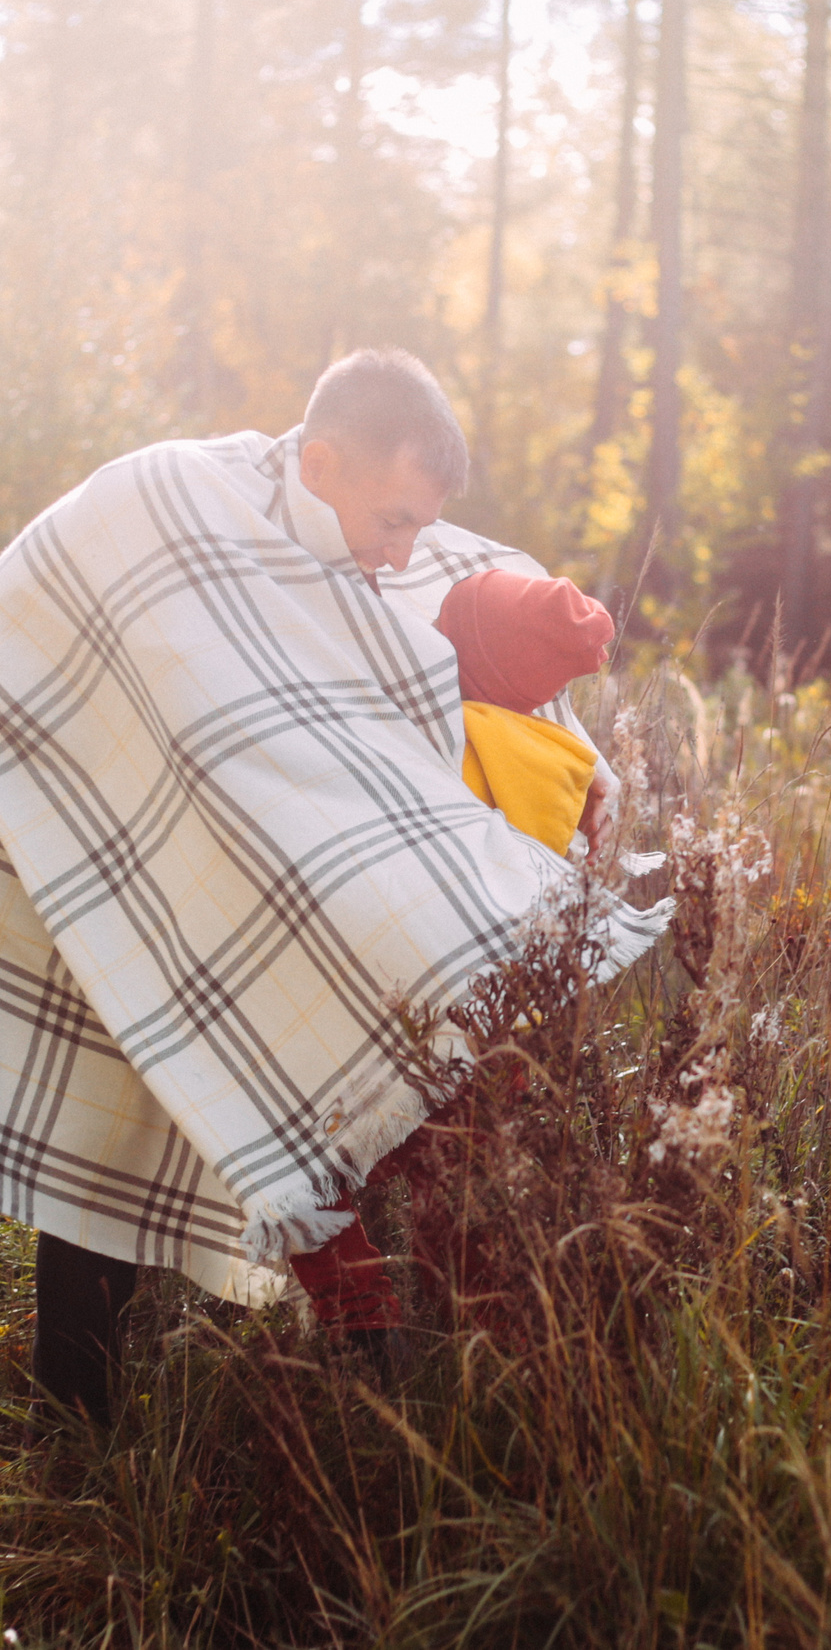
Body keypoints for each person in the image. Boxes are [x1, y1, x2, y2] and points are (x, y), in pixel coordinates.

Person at [0, 349, 666, 1537]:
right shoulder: (175, 500)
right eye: (389, 519)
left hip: (99, 793)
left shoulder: (336, 550)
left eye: (419, 525)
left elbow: (412, 654)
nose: (401, 551)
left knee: (120, 1084)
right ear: (319, 463)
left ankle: (77, 1413)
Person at [280, 567, 621, 1326]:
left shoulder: (414, 740)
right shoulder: (556, 760)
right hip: (492, 1028)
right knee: (459, 1179)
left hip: (382, 1013)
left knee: (320, 1168)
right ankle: (470, 1321)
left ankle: (361, 1318)